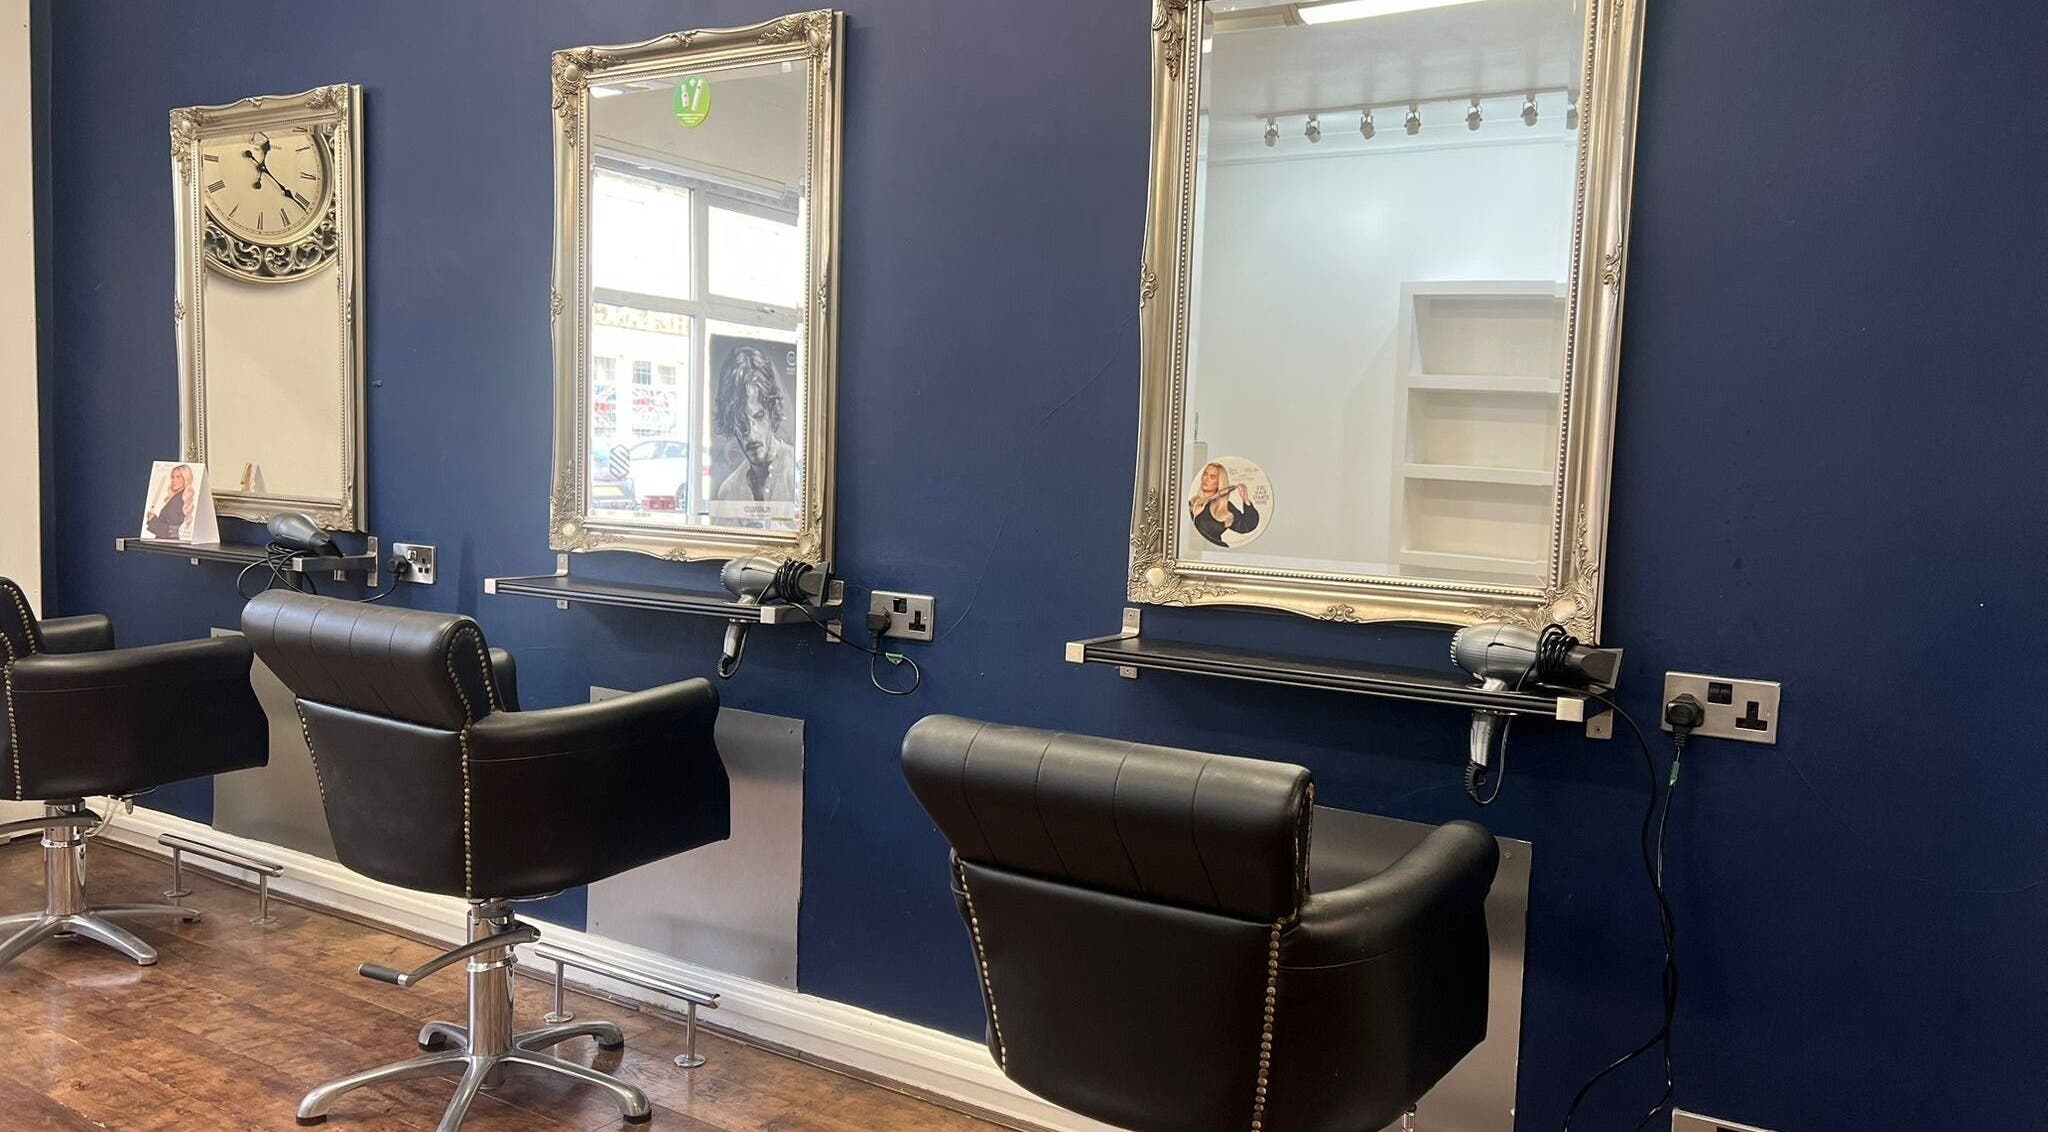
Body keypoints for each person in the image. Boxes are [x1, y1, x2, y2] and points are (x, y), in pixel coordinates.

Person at [712, 346, 798, 504]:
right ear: (731, 425)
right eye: (741, 422)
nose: (751, 434)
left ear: (772, 412)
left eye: (758, 416)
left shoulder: (799, 475)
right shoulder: (728, 491)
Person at [1188, 461, 1259, 547]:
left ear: (1219, 482)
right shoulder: (1191, 504)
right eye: (1205, 474)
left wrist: (1245, 499)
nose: (1206, 479)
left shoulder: (1224, 508)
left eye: (1212, 477)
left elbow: (1247, 525)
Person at [145, 464, 196, 541]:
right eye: (172, 477)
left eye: (178, 477)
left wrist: (153, 519)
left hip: (168, 544)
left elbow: (171, 532)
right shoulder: (178, 497)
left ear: (186, 478)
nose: (174, 480)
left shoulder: (179, 500)